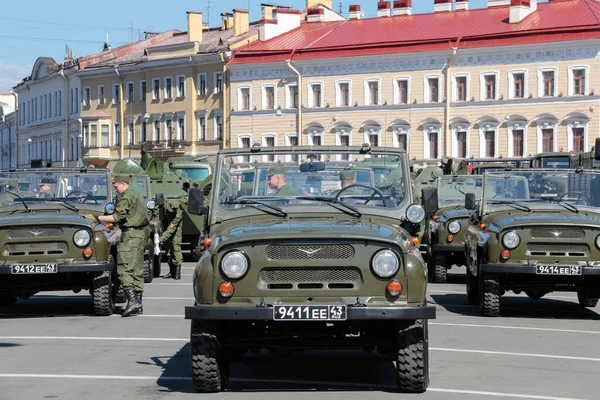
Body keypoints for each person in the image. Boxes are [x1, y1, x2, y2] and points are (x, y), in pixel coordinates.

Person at [98, 174, 149, 317]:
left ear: (123, 184)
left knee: (124, 269)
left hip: (130, 236)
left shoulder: (127, 197)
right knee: (136, 270)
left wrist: (98, 218)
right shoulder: (137, 196)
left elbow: (116, 217)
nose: (115, 190)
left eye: (116, 186)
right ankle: (138, 303)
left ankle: (133, 302)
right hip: (139, 235)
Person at [160, 198, 183, 280]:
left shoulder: (178, 213)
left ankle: (177, 272)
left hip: (175, 230)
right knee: (168, 250)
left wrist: (161, 238)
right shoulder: (162, 206)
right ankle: (171, 272)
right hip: (165, 227)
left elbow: (172, 227)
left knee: (176, 249)